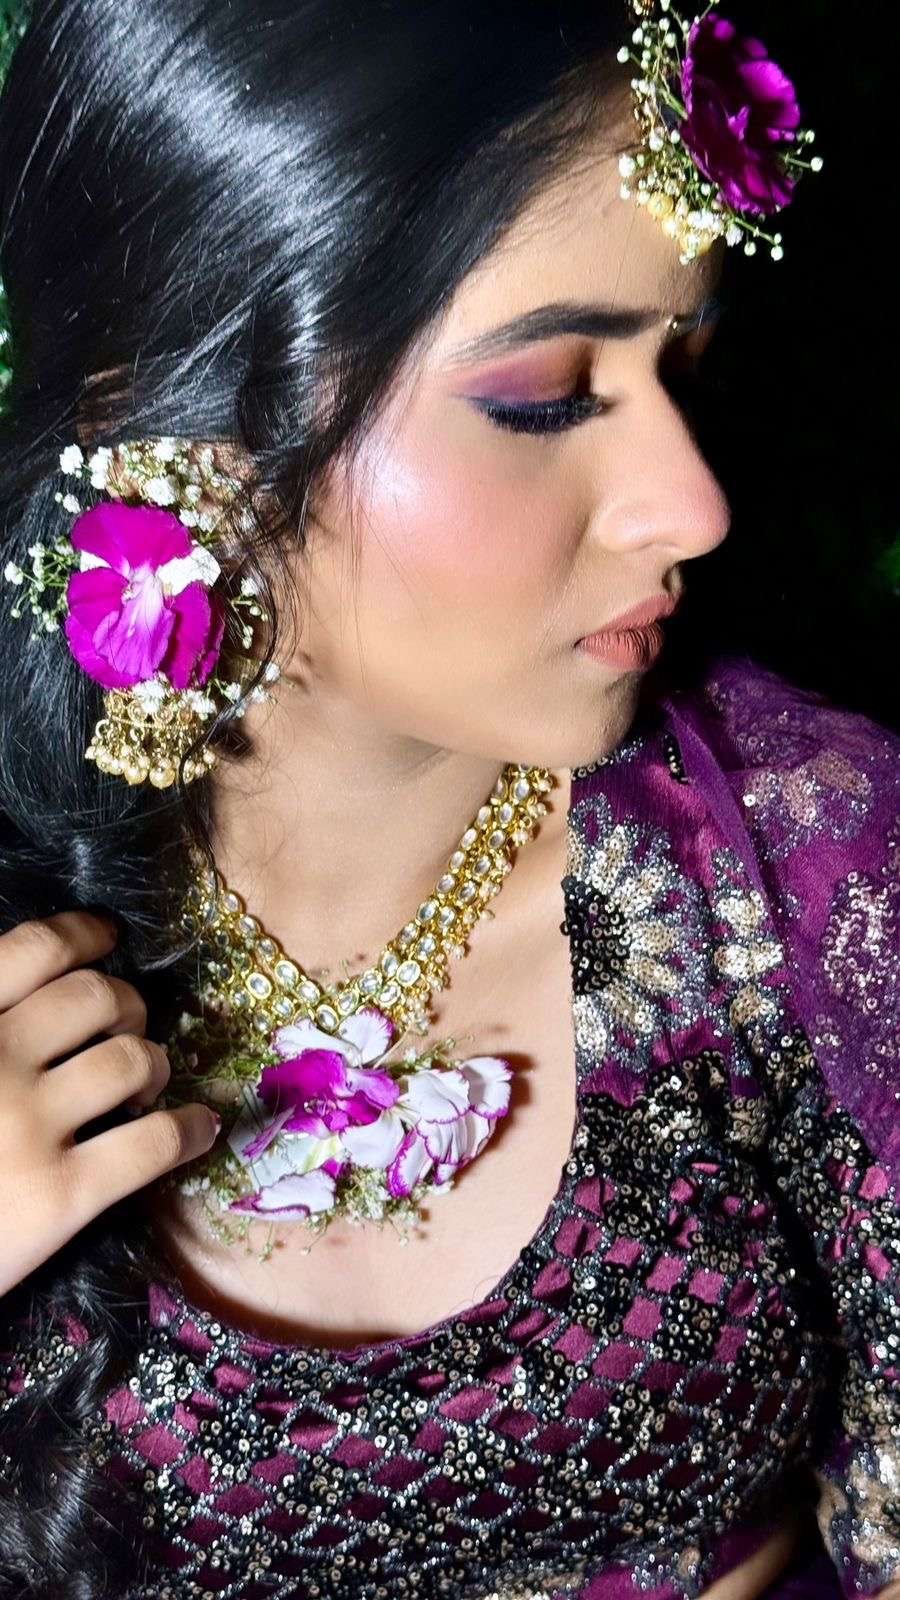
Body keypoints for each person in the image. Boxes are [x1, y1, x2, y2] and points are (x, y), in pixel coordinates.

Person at [0, 2, 896, 1598]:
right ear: (176, 432)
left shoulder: (804, 853)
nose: (691, 504)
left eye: (685, 366)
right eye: (544, 397)